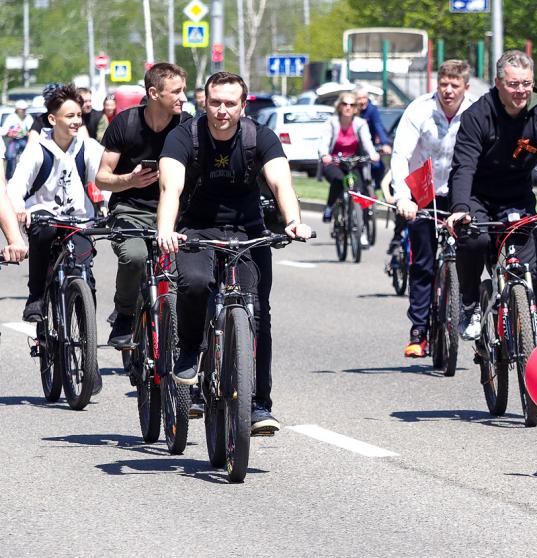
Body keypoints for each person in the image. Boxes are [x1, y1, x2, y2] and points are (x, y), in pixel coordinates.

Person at [157, 71, 311, 435]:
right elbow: (170, 188)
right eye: (215, 102)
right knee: (194, 283)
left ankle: (259, 405)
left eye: (230, 103)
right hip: (197, 229)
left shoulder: (260, 137)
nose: (222, 110)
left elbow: (280, 182)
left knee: (258, 313)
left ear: (243, 105)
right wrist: (166, 229)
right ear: (204, 102)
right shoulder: (185, 137)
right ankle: (191, 351)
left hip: (247, 232)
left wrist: (293, 221)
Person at [445, 50, 537, 340]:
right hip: (478, 196)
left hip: (517, 197)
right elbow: (464, 165)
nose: (521, 91)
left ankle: (534, 338)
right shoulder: (477, 115)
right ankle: (469, 304)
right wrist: (460, 207)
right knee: (475, 239)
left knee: (529, 272)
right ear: (498, 83)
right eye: (513, 84)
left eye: (526, 84)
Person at [96, 63, 189, 349]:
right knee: (135, 257)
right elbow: (102, 178)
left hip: (174, 213)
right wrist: (130, 180)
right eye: (176, 91)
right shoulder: (125, 123)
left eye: (184, 91)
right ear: (154, 93)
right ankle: (124, 314)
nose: (183, 98)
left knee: (188, 273)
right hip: (130, 211)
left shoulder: (187, 125)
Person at [391, 60, 475, 356]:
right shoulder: (419, 109)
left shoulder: (475, 110)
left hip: (461, 193)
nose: (448, 91)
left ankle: (471, 314)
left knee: (472, 252)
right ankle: (419, 331)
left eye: (455, 85)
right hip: (422, 193)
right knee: (423, 262)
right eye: (443, 84)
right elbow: (401, 155)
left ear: (466, 87)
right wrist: (403, 197)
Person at [7, 83, 105, 326]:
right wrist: (18, 207)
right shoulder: (37, 150)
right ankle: (36, 297)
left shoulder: (88, 147)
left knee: (84, 267)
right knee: (44, 234)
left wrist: (110, 204)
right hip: (44, 217)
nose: (76, 121)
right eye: (69, 116)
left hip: (78, 220)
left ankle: (85, 332)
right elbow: (15, 186)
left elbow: (106, 177)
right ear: (52, 119)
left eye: (79, 116)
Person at [318, 91, 380, 235]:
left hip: (353, 162)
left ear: (356, 108)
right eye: (345, 104)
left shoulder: (360, 123)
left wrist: (372, 154)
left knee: (361, 193)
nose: (348, 107)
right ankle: (329, 207)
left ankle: (361, 230)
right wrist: (324, 154)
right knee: (339, 180)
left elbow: (367, 142)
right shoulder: (332, 122)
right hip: (334, 162)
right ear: (339, 106)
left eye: (352, 105)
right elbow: (324, 142)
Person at [354, 84, 393, 191]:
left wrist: (384, 143)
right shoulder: (352, 110)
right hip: (354, 148)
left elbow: (378, 126)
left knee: (377, 166)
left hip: (370, 145)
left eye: (364, 98)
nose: (362, 102)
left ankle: (375, 189)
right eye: (359, 99)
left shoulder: (372, 110)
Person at [3, 100, 34, 180]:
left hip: (25, 140)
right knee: (10, 156)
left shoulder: (28, 117)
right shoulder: (11, 117)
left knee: (29, 157)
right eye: (22, 109)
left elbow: (32, 130)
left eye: (25, 109)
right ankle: (9, 176)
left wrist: (28, 133)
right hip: (13, 140)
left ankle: (27, 176)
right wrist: (10, 133)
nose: (24, 111)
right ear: (17, 109)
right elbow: (5, 130)